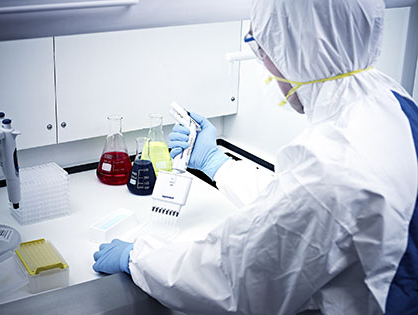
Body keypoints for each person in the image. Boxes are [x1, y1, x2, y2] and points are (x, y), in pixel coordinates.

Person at [92, 0, 418, 314]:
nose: (267, 65)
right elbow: (303, 209)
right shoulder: (390, 101)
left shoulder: (333, 162)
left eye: (264, 49)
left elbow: (233, 282)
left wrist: (137, 256)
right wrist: (215, 163)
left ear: (293, 47)